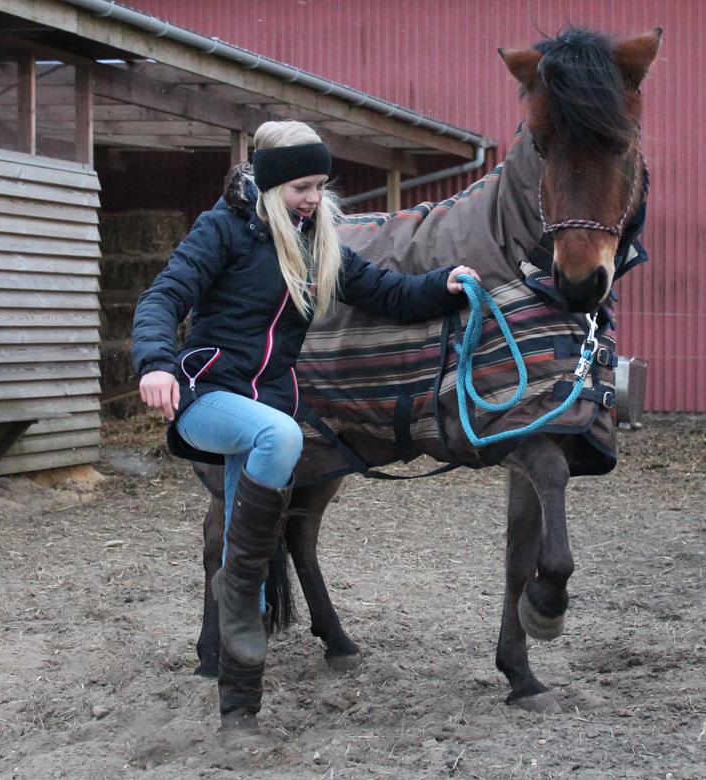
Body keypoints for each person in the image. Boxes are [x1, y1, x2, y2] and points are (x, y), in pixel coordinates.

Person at [130, 119, 478, 730]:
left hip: (266, 403)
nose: (313, 198)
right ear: (269, 185)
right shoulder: (222, 231)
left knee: (250, 577)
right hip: (207, 396)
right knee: (281, 437)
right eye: (300, 188)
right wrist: (156, 363)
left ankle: (239, 709)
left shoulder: (315, 241)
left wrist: (443, 287)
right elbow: (163, 297)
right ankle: (238, 595)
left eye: (319, 185)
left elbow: (385, 292)